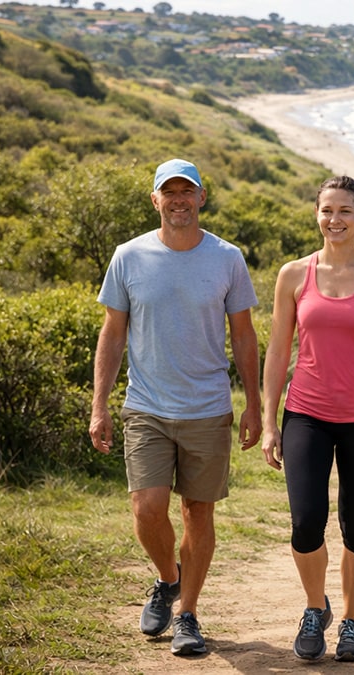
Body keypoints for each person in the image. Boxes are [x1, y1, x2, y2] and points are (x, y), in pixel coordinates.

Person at [89, 158, 262, 657]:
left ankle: (188, 613)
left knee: (197, 513)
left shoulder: (227, 258)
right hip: (146, 405)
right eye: (170, 192)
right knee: (146, 508)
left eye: (188, 191)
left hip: (207, 407)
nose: (179, 200)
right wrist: (99, 405)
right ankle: (169, 578)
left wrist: (253, 405)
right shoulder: (128, 256)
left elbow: (244, 334)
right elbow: (112, 333)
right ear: (155, 200)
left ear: (202, 198)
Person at [261, 175, 354, 662]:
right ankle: (314, 608)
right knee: (306, 522)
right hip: (306, 412)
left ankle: (352, 621)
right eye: (327, 210)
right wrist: (269, 421)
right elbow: (277, 350)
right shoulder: (293, 275)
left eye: (345, 210)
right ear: (317, 214)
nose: (335, 219)